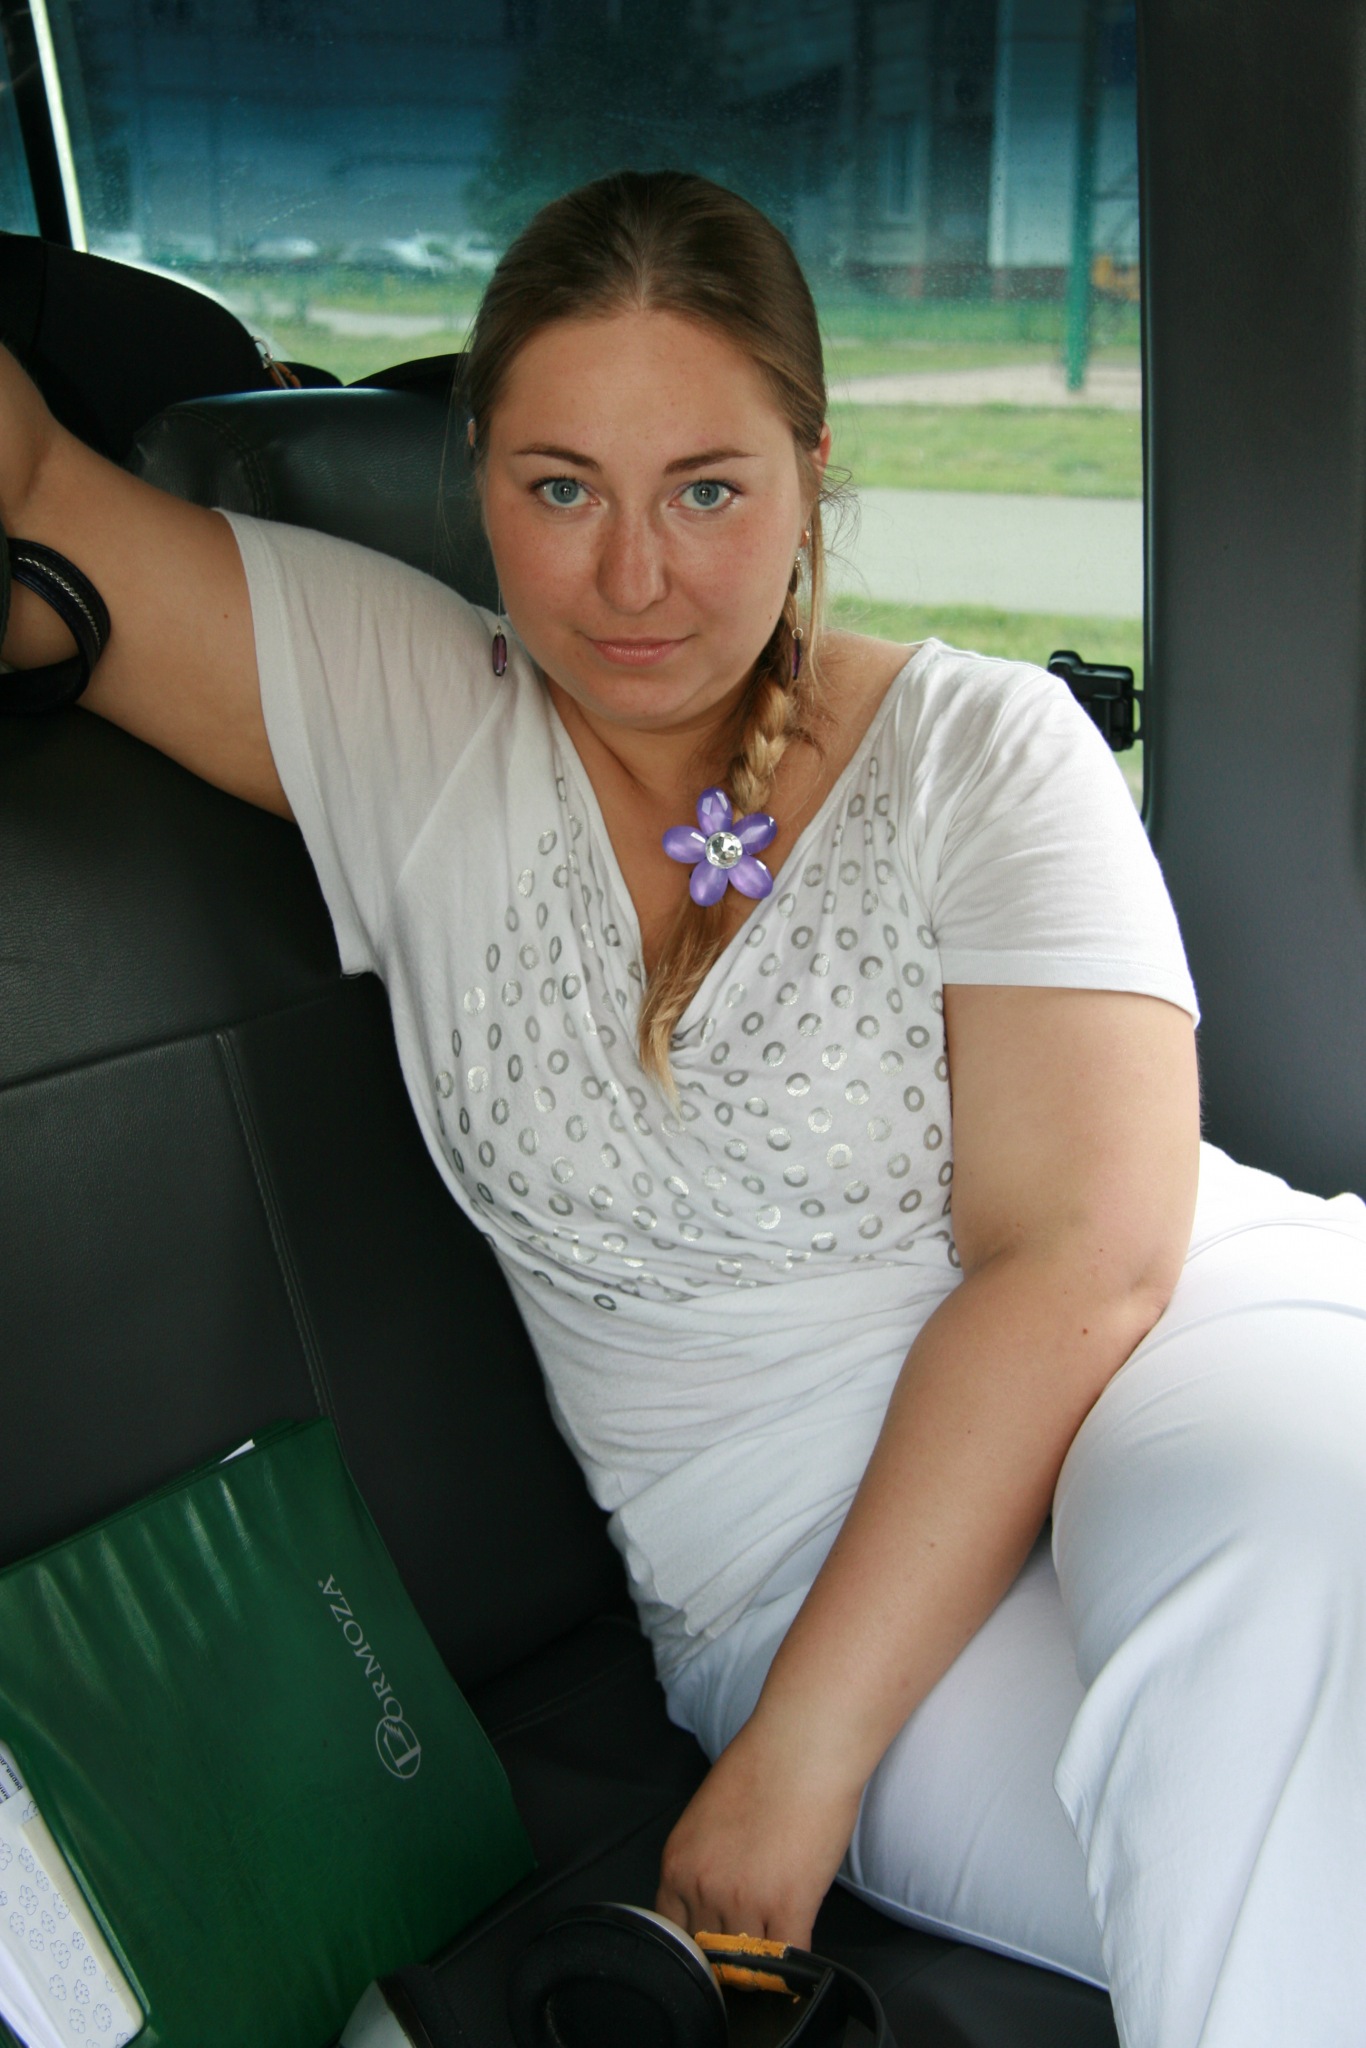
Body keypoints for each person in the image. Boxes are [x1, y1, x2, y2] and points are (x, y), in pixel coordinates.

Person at [3, 170, 1365, 2048]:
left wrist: (797, 1769)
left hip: (1178, 1359)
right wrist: (796, 1718)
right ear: (475, 474)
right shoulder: (397, 710)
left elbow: (1084, 1261)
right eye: (561, 488)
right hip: (782, 1571)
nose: (633, 578)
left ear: (810, 473)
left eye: (706, 490)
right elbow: (33, 491)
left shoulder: (980, 747)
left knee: (1301, 1514)